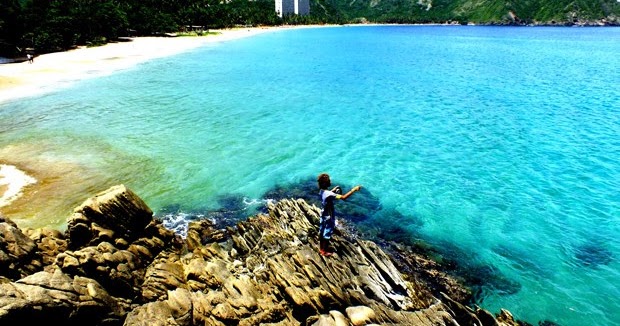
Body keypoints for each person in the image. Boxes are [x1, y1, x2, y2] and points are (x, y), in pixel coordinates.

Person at [317, 173, 362, 257]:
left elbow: (327, 194)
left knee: (322, 231)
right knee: (327, 233)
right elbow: (344, 197)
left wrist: (333, 190)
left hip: (323, 214)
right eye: (329, 180)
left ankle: (321, 248)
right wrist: (354, 189)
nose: (330, 181)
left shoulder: (322, 191)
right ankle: (324, 251)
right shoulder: (329, 194)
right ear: (326, 183)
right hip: (329, 216)